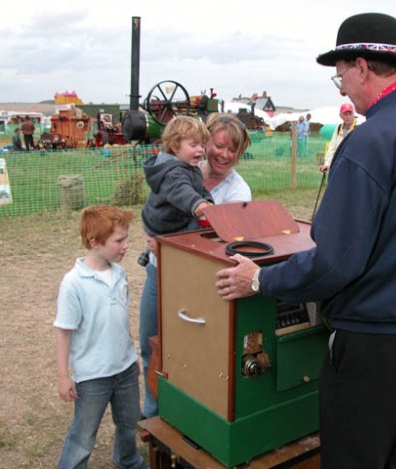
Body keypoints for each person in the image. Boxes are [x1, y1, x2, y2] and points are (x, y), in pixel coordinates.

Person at [214, 12, 396, 469]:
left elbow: (335, 262)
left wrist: (260, 280)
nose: (342, 91)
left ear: (362, 67)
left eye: (340, 78)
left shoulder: (372, 139)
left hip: (372, 338)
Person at [138, 113, 252, 419]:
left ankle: (186, 416)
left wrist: (167, 242)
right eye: (218, 145)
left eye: (232, 149)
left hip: (196, 282)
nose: (223, 154)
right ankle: (153, 414)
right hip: (158, 272)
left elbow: (222, 242)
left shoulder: (238, 193)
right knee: (152, 343)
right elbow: (159, 206)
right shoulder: (185, 166)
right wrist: (152, 234)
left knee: (190, 352)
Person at [54, 205, 146, 469]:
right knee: (83, 435)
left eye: (126, 239)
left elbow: (120, 321)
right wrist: (64, 376)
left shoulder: (119, 274)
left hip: (125, 369)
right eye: (119, 240)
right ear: (94, 242)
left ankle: (127, 459)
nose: (126, 246)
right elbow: (63, 332)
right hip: (93, 376)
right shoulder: (74, 283)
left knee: (129, 422)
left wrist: (132, 354)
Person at [141, 115, 214, 239]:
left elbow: (199, 188)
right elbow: (181, 190)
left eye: (202, 145)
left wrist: (207, 200)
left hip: (177, 218)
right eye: (194, 145)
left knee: (201, 224)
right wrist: (197, 203)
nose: (201, 150)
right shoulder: (172, 173)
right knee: (196, 230)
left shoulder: (189, 166)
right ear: (175, 146)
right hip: (164, 224)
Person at [319, 103, 357, 172]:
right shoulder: (338, 128)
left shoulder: (359, 127)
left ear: (353, 114)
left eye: (350, 114)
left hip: (354, 167)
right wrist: (327, 164)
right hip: (339, 165)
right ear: (340, 115)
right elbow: (332, 147)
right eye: (345, 114)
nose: (348, 117)